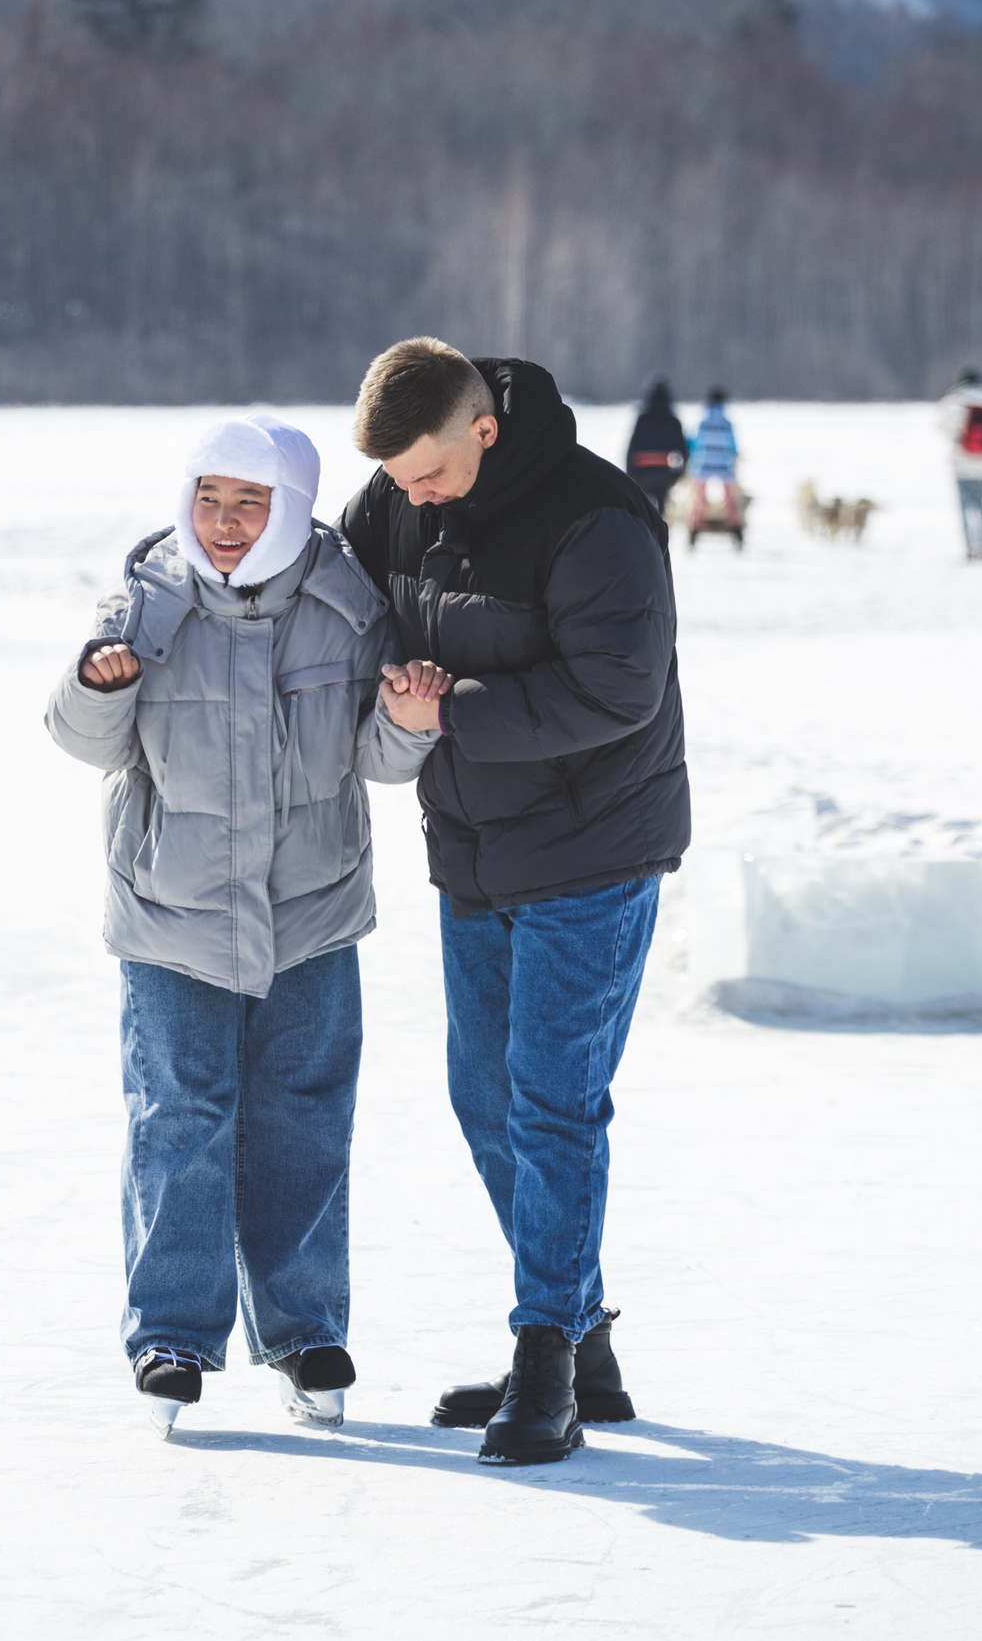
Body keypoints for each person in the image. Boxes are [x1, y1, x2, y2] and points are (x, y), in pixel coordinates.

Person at [45, 413, 451, 1439]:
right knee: (177, 1117)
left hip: (310, 911)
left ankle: (305, 1329)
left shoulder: (345, 605)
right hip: (172, 915)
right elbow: (81, 739)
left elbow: (374, 756)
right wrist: (100, 686)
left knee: (303, 1119)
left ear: (292, 507)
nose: (223, 523)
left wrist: (405, 721)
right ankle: (171, 1334)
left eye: (249, 502)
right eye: (209, 499)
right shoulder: (148, 599)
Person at [339, 339, 690, 1467]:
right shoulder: (401, 496)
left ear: (482, 427)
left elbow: (618, 691)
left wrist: (454, 713)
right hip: (474, 847)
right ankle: (580, 1337)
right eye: (396, 479)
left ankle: (545, 1351)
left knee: (550, 1100)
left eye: (428, 473)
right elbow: (333, 591)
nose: (411, 497)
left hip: (593, 847)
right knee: (483, 1094)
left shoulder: (598, 516)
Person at [937, 365, 982, 559]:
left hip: (961, 466)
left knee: (965, 510)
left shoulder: (956, 404)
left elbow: (944, 427)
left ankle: (970, 548)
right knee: (981, 508)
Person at [622, 378, 688, 520]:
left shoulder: (642, 419)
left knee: (644, 510)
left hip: (643, 473)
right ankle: (660, 538)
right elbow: (683, 450)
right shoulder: (673, 421)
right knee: (662, 511)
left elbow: (632, 448)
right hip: (665, 473)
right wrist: (678, 474)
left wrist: (630, 474)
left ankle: (647, 536)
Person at [689, 386, 744, 551]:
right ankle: (736, 530)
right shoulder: (727, 423)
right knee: (730, 501)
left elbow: (694, 444)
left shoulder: (702, 423)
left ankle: (693, 530)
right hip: (724, 467)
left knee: (699, 501)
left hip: (703, 467)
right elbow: (733, 446)